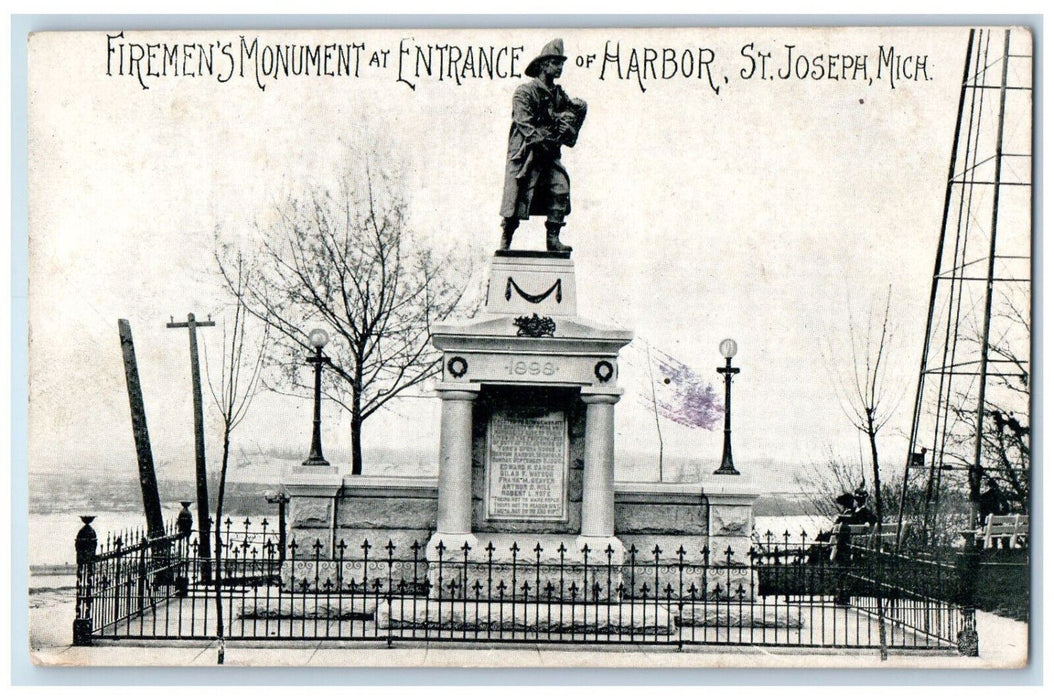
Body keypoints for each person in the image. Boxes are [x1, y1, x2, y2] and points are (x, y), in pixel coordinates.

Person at [499, 38, 587, 253]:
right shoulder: (525, 92)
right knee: (516, 199)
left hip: (548, 157)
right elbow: (523, 123)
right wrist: (545, 137)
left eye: (561, 64)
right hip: (526, 155)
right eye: (556, 63)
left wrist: (572, 123)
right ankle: (506, 238)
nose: (560, 68)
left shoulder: (559, 95)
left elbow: (574, 116)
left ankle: (553, 239)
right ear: (543, 64)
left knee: (560, 189)